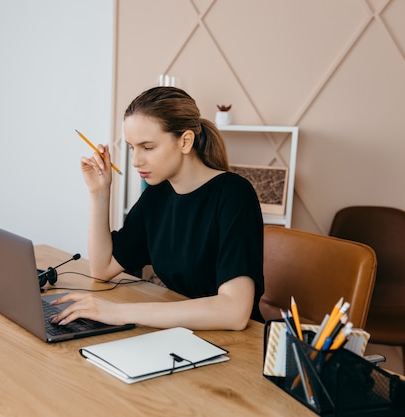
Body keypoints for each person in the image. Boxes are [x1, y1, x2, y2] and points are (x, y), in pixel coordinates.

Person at [51, 86, 264, 330]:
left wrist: (120, 313)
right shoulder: (157, 195)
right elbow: (102, 268)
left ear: (185, 141)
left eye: (148, 147)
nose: (136, 161)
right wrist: (99, 193)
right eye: (132, 147)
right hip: (186, 334)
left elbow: (234, 312)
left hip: (238, 346)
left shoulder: (234, 194)